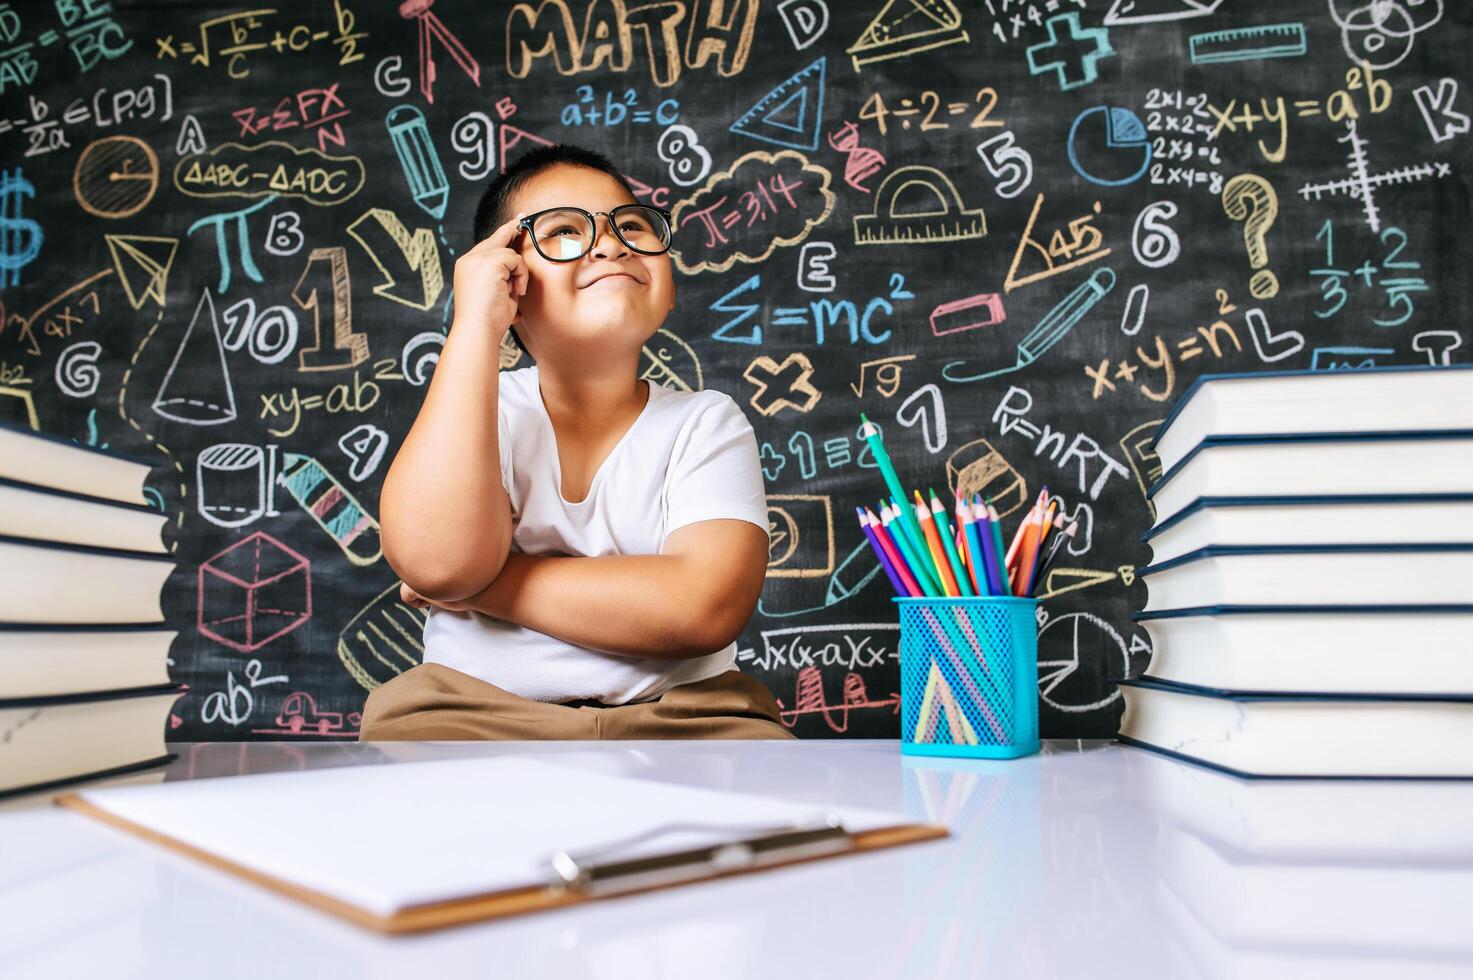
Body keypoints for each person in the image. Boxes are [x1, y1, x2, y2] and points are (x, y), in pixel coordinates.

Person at [360, 144, 793, 740]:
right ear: (506, 282)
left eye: (633, 226)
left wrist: (487, 587)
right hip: (471, 713)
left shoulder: (707, 422)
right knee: (404, 753)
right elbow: (439, 562)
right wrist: (473, 326)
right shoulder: (476, 410)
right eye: (564, 232)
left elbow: (702, 608)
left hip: (689, 715)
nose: (611, 243)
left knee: (767, 765)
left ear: (669, 291)